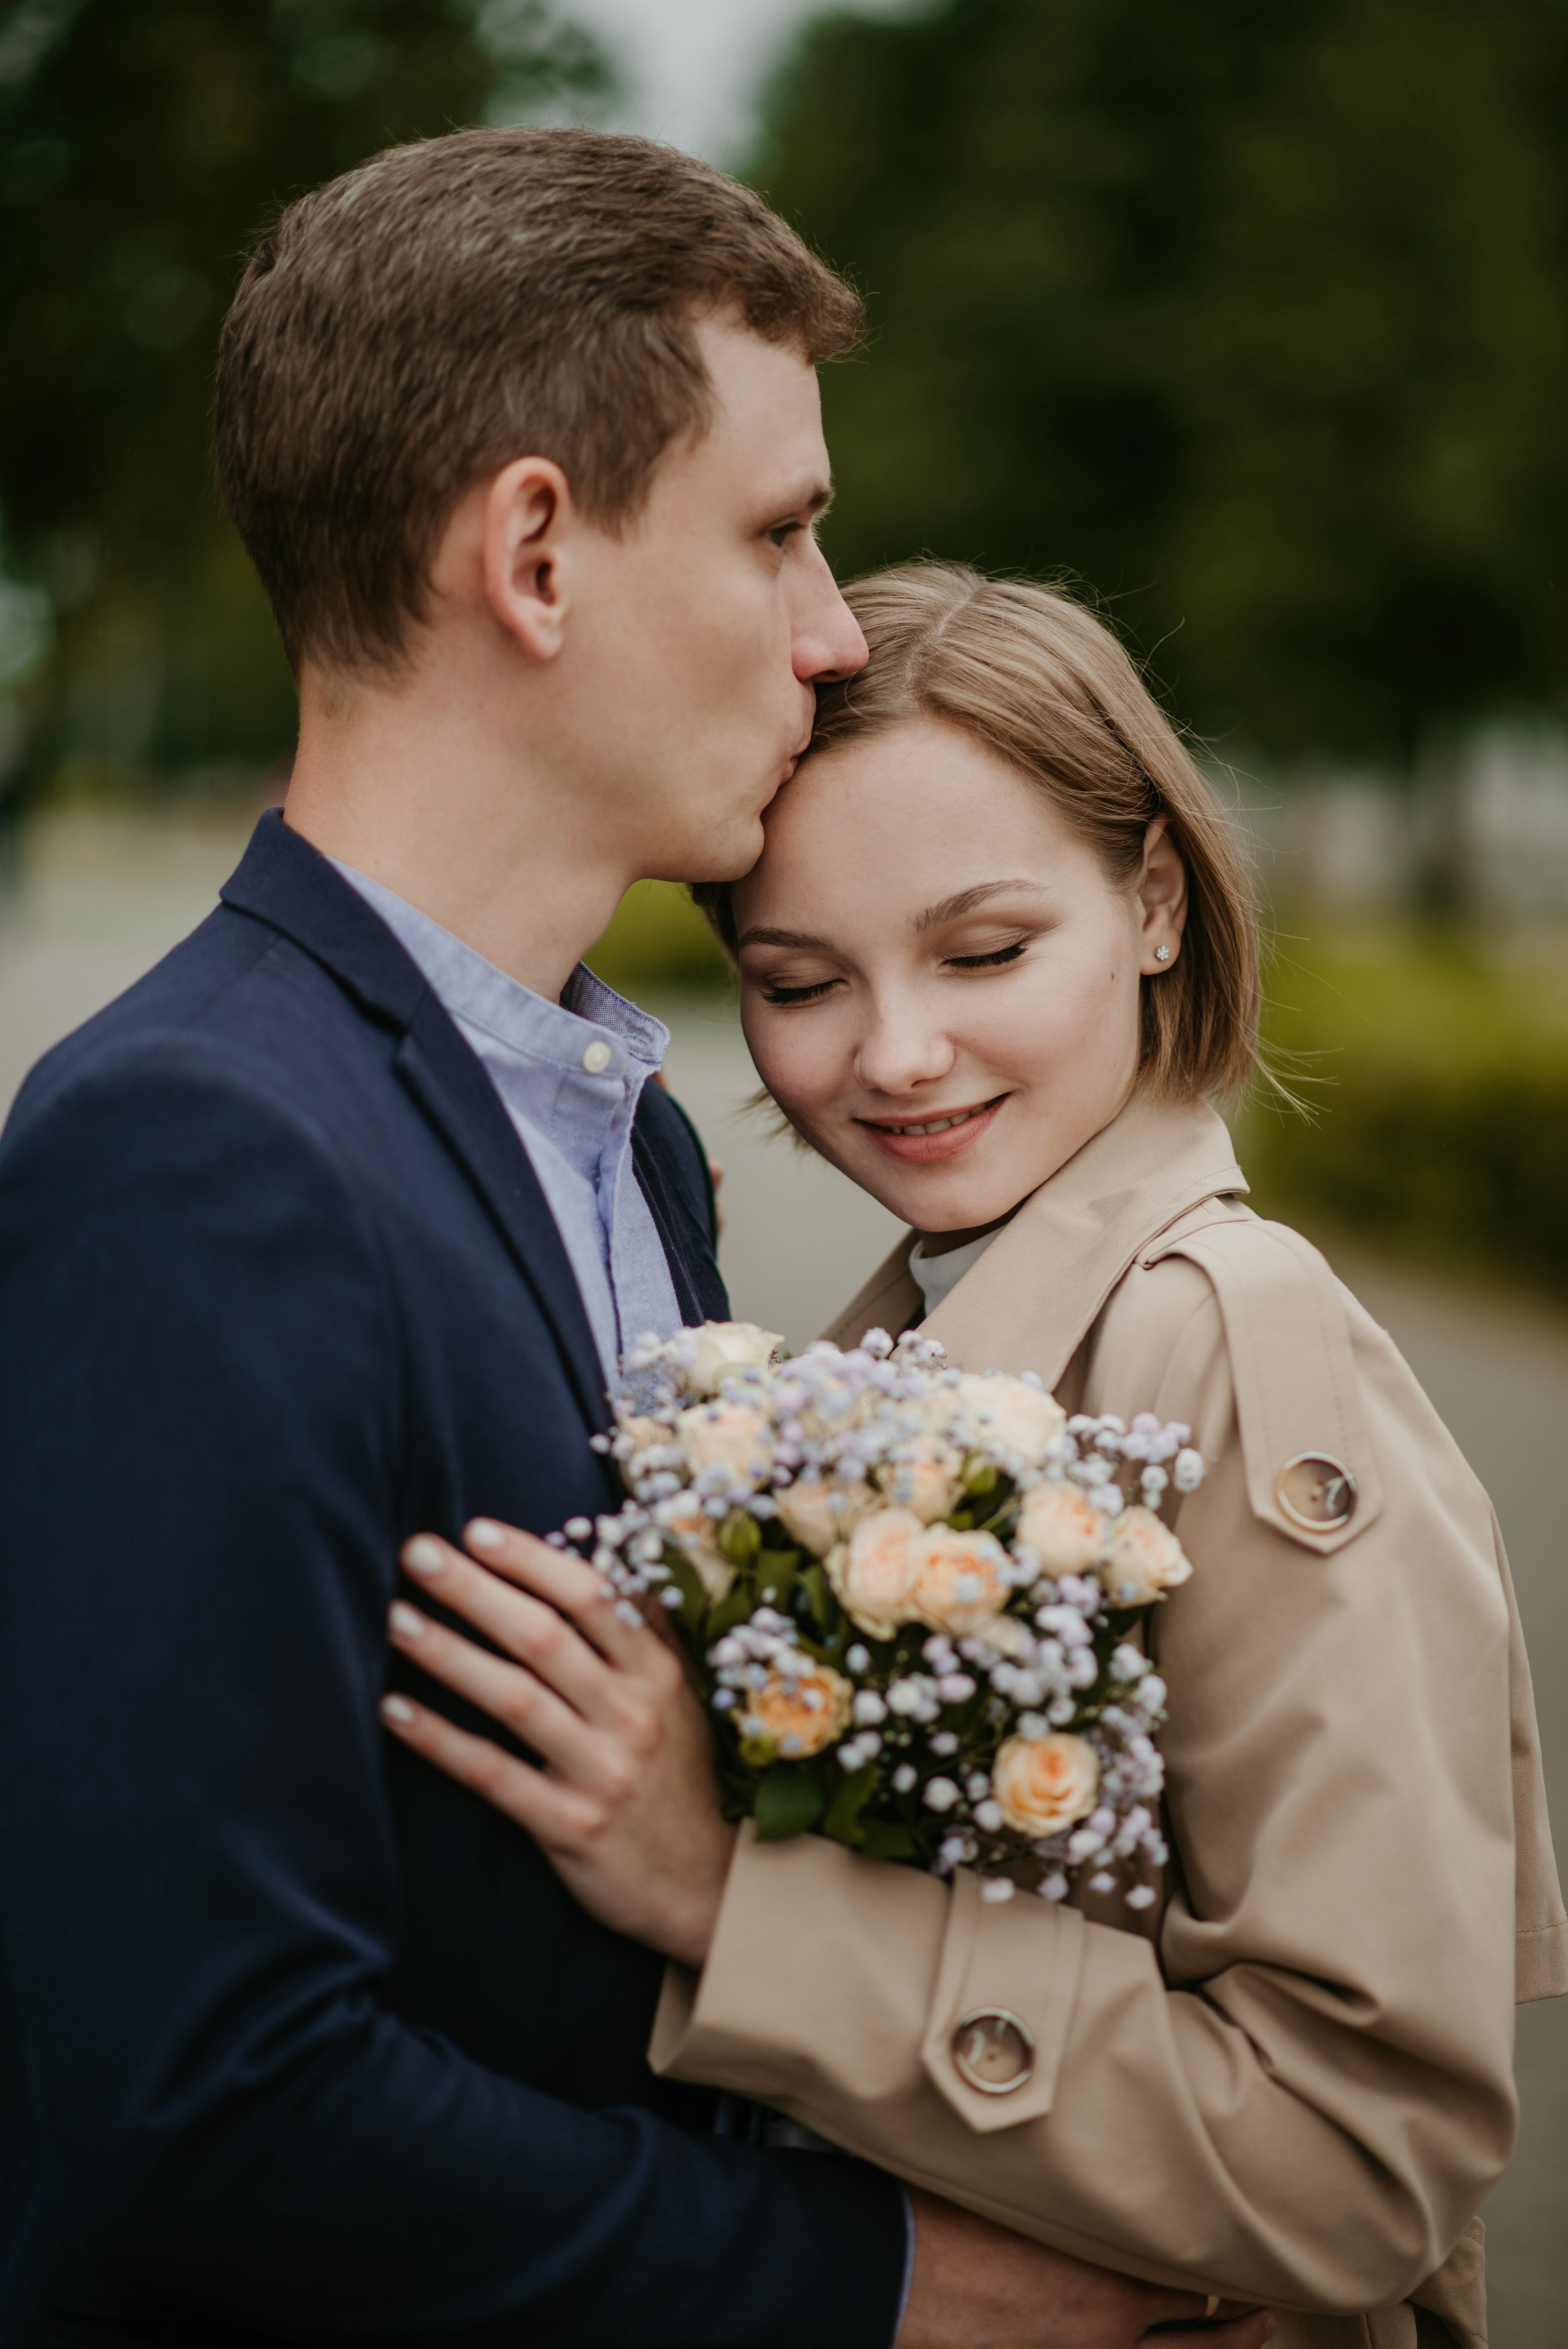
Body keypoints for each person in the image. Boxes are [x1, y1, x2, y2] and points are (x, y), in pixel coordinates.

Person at [0, 133, 1273, 2349]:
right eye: (780, 529)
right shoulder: (194, 1145)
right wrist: (899, 2288)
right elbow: (205, 2094)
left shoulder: (633, 1139)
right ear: (534, 553)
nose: (837, 627)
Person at [379, 565, 1568, 2349]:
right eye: (798, 979)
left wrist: (728, 1894)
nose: (897, 1054)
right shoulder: (895, 1341)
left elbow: (1362, 2156)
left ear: (1155, 901)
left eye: (985, 951)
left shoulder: (1229, 1333)